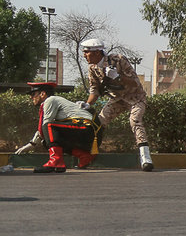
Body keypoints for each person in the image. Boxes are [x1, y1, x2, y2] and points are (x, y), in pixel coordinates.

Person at [81, 38, 154, 172]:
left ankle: (146, 158)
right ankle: (89, 155)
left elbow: (134, 82)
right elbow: (95, 89)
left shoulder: (119, 60)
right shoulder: (92, 68)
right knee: (99, 123)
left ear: (97, 52)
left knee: (135, 120)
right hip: (117, 99)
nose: (84, 55)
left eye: (86, 52)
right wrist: (87, 104)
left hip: (135, 97)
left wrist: (117, 77)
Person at [14, 82, 98, 173]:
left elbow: (45, 125)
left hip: (84, 127)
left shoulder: (50, 100)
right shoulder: (55, 100)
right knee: (48, 138)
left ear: (42, 94)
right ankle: (85, 156)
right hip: (89, 130)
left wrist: (32, 144)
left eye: (33, 94)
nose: (31, 97)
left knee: (48, 127)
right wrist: (32, 143)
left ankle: (55, 162)